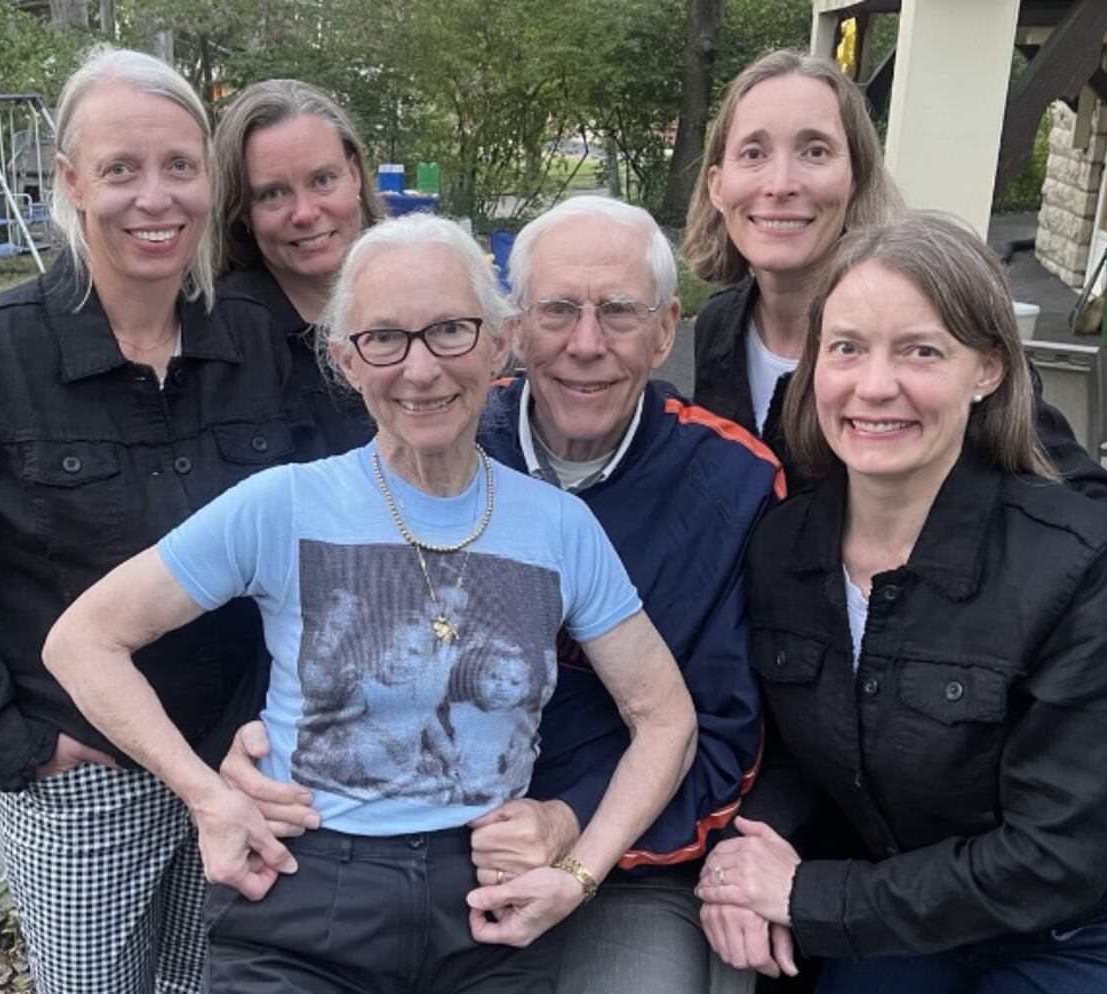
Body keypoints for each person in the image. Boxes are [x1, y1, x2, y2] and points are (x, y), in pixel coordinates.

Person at [41, 212, 699, 993]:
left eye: (450, 331)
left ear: (499, 344)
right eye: (385, 338)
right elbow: (82, 640)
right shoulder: (282, 505)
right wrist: (206, 795)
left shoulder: (559, 526)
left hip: (489, 905)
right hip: (307, 896)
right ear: (348, 361)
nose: (420, 370)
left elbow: (666, 717)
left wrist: (581, 871)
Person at [680, 49, 1107, 973]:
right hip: (847, 757)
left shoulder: (944, 328)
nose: (782, 182)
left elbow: (1085, 510)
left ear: (857, 175)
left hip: (971, 748)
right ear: (716, 179)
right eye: (753, 152)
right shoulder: (717, 335)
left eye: (814, 150)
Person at [222, 196, 783, 992]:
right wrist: (252, 750)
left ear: (667, 329)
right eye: (557, 310)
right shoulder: (434, 432)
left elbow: (720, 727)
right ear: (512, 330)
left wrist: (572, 823)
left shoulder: (734, 484)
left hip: (627, 852)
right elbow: (306, 621)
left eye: (619, 312)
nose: (585, 345)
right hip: (427, 845)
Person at [0, 47, 316, 993]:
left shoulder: (258, 341)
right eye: (120, 170)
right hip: (84, 778)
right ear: (71, 181)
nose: (156, 198)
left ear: (209, 179)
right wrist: (15, 741)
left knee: (218, 984)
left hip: (240, 762)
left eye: (180, 167)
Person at [211, 78, 384, 457]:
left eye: (322, 180)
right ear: (241, 209)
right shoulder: (220, 341)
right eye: (272, 194)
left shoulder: (417, 292)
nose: (305, 213)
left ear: (353, 174)